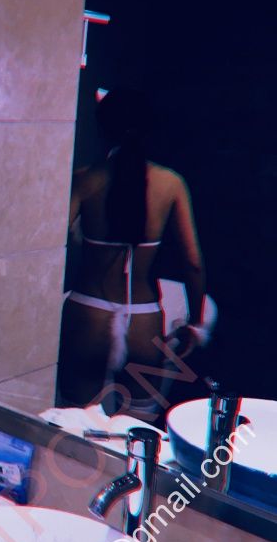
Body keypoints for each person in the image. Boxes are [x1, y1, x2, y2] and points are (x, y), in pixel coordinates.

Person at [57, 87, 207, 423]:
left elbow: (48, 247)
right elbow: (193, 263)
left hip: (88, 315)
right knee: (136, 431)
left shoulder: (84, 180)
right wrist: (195, 325)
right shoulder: (171, 184)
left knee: (74, 427)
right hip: (143, 321)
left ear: (102, 128)